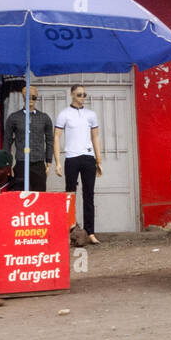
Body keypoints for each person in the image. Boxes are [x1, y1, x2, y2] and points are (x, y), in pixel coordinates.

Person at [55, 84, 102, 244]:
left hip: (88, 157)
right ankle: (71, 230)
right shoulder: (64, 114)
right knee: (70, 195)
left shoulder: (91, 114)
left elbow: (95, 136)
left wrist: (99, 159)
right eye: (79, 94)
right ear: (72, 95)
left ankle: (90, 232)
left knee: (89, 195)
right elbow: (56, 137)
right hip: (72, 157)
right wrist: (57, 162)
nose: (82, 97)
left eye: (84, 95)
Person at [4, 83, 54, 191]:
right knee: (20, 194)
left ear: (37, 98)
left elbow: (50, 140)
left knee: (39, 195)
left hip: (39, 163)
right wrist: (7, 163)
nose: (30, 99)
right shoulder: (14, 117)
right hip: (21, 162)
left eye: (34, 97)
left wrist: (48, 161)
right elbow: (7, 140)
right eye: (27, 96)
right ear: (23, 97)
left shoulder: (44, 118)